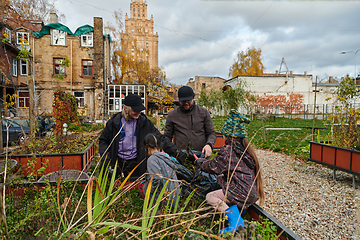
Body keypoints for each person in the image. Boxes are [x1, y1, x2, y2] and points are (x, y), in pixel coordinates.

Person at [196, 109, 265, 234]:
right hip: (252, 193)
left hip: (241, 193)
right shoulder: (245, 149)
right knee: (224, 180)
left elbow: (213, 167)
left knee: (210, 197)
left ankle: (236, 223)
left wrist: (200, 162)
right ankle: (239, 213)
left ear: (227, 135)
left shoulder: (228, 150)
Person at [99, 94, 183, 180]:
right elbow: (103, 141)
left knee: (135, 186)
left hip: (136, 162)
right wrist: (106, 158)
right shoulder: (114, 123)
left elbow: (160, 138)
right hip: (117, 162)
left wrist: (177, 153)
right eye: (135, 110)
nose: (139, 112)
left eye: (140, 110)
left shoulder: (144, 122)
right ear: (126, 108)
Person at [164, 86, 216, 160]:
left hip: (202, 155)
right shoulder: (172, 115)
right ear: (179, 100)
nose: (186, 103)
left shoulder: (203, 112)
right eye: (183, 101)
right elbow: (167, 137)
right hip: (181, 156)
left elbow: (211, 133)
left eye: (188, 100)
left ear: (193, 97)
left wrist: (209, 145)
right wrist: (169, 151)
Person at [142, 133, 180, 206]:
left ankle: (157, 208)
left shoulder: (152, 159)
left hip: (166, 198)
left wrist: (151, 191)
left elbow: (156, 178)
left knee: (145, 187)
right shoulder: (167, 156)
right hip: (176, 196)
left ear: (148, 148)